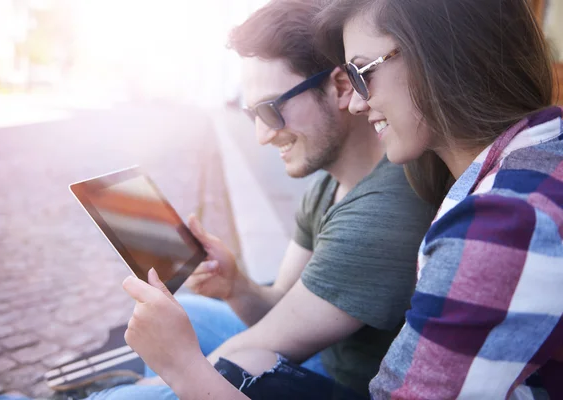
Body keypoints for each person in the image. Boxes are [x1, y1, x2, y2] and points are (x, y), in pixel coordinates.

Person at [113, 0, 563, 399]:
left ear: (439, 57)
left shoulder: (499, 223)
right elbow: (281, 310)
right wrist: (236, 287)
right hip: (329, 361)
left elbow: (272, 341)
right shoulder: (502, 170)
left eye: (361, 74)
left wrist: (180, 372)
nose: (357, 104)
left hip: (342, 378)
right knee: (188, 320)